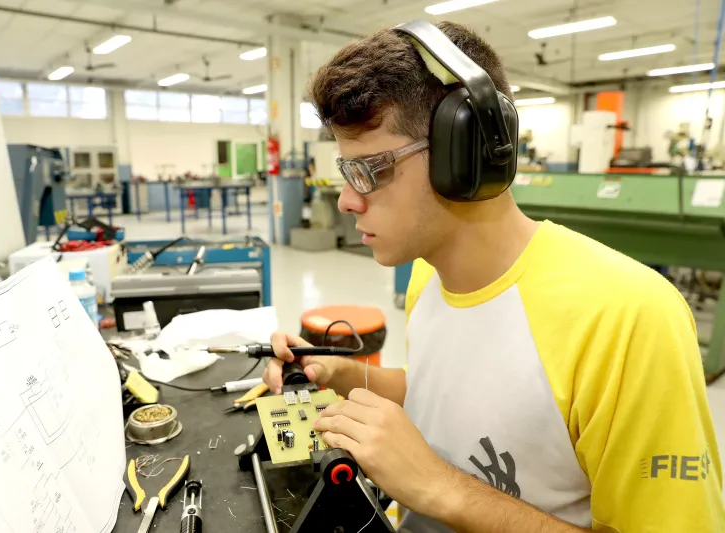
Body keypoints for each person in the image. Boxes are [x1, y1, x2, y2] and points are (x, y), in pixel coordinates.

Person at [263, 20, 725, 533]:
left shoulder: (627, 318)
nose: (348, 200)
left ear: (466, 154)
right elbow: (447, 394)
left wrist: (440, 488)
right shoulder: (427, 274)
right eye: (346, 172)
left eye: (369, 170)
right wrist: (341, 374)